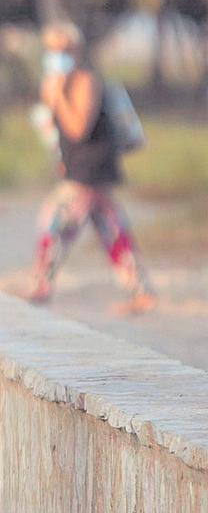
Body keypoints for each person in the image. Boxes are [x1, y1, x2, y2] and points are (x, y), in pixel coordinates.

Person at [27, 22, 155, 315]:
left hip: (91, 168)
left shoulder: (85, 81)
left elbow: (78, 129)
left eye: (61, 49)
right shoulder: (60, 82)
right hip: (80, 167)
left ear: (76, 50)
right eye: (50, 49)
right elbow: (57, 134)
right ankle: (141, 290)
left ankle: (40, 285)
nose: (55, 55)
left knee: (55, 219)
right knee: (109, 225)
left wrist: (57, 96)